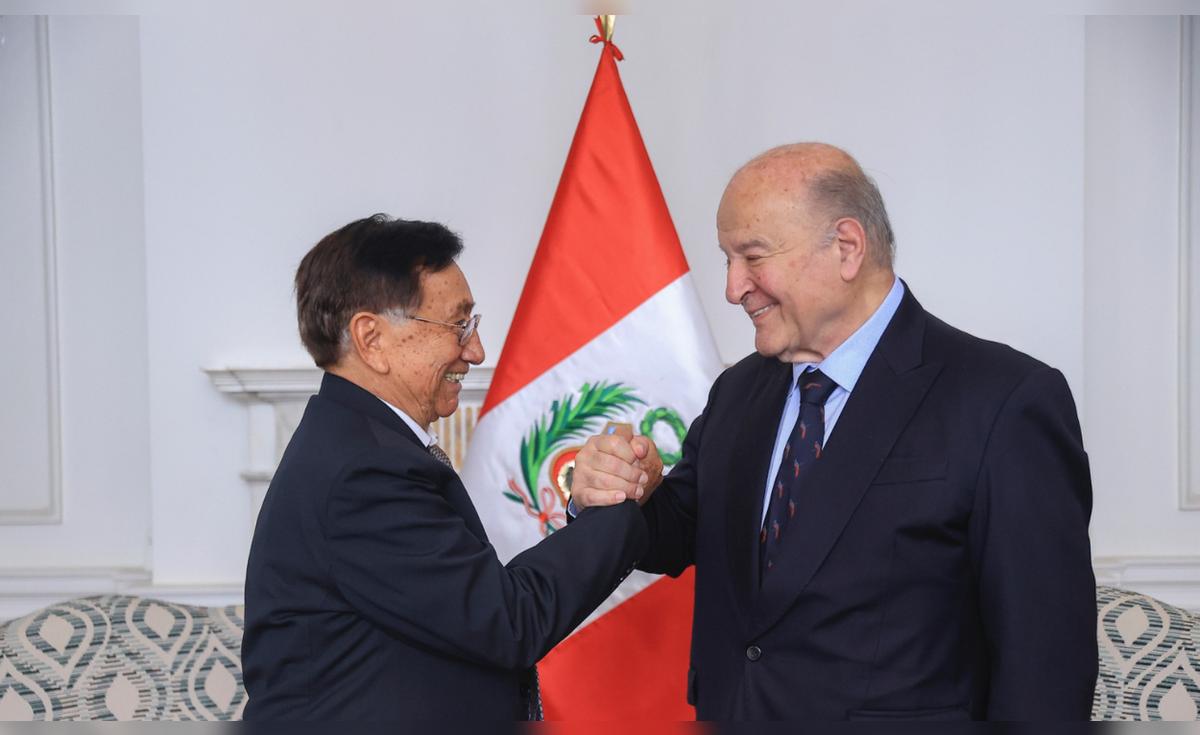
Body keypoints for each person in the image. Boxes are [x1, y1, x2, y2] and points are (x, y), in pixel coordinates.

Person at [570, 143, 1098, 720]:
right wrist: (614, 491)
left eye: (752, 256)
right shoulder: (739, 391)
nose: (732, 287)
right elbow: (678, 531)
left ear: (846, 248)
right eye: (727, 260)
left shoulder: (1004, 401)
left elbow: (1045, 665)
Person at [242, 214, 646, 720]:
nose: (475, 351)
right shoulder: (363, 473)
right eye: (459, 325)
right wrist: (622, 504)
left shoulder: (356, 442)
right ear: (371, 338)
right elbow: (509, 622)